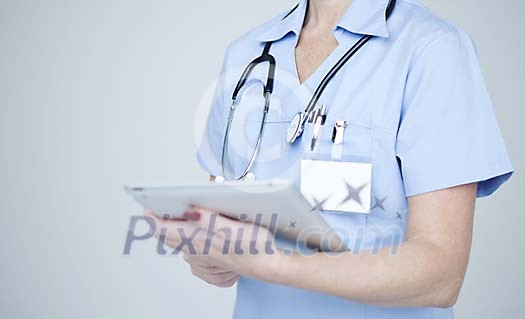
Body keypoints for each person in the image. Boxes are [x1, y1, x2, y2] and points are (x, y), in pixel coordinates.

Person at [146, 0, 513, 318]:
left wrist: (275, 263)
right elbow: (221, 216)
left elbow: (441, 274)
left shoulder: (431, 49)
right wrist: (210, 256)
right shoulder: (248, 54)